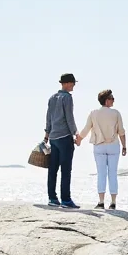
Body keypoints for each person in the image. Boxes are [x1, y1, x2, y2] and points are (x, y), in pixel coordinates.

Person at [76, 89, 127, 210]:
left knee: (101, 174)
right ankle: (113, 202)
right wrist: (124, 146)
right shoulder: (116, 113)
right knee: (113, 173)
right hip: (113, 146)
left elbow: (86, 129)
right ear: (107, 100)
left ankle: (101, 202)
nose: (114, 100)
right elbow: (121, 131)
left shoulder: (93, 113)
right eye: (112, 98)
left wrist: (79, 139)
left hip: (99, 146)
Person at [44, 73, 79, 208]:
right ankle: (66, 200)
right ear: (66, 83)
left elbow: (48, 118)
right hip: (64, 137)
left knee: (52, 169)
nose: (73, 86)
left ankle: (52, 198)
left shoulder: (52, 98)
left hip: (53, 138)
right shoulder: (67, 98)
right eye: (72, 83)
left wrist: (47, 134)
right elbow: (69, 117)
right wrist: (75, 133)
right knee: (66, 169)